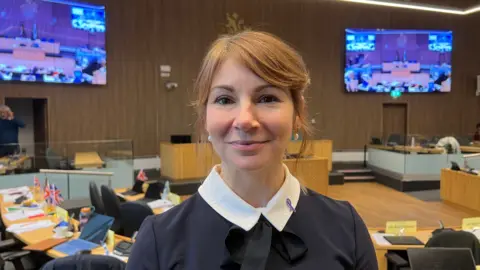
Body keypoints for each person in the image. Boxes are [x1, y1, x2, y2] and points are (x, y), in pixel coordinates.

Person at [127, 31, 377, 269]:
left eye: (267, 98)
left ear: (297, 113)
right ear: (204, 119)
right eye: (224, 100)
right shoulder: (158, 242)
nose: (245, 120)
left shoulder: (346, 229)